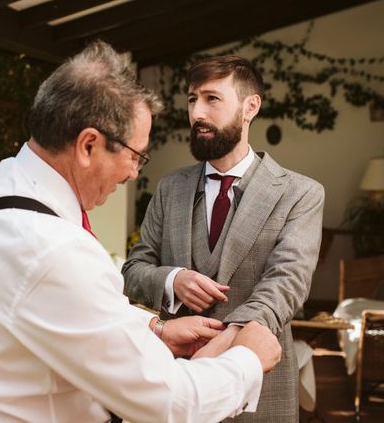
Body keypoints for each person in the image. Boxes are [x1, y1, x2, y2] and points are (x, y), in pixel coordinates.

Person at [0, 42, 281, 423]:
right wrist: (248, 359)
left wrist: (154, 327)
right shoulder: (51, 249)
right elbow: (173, 402)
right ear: (88, 145)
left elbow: (64, 308)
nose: (134, 173)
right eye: (135, 155)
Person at [122, 55, 324, 422]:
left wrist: (227, 341)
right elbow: (133, 269)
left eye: (212, 99)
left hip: (261, 385)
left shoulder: (300, 193)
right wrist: (172, 279)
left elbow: (287, 282)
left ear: (250, 107)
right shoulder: (169, 189)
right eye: (191, 99)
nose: (197, 112)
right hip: (176, 385)